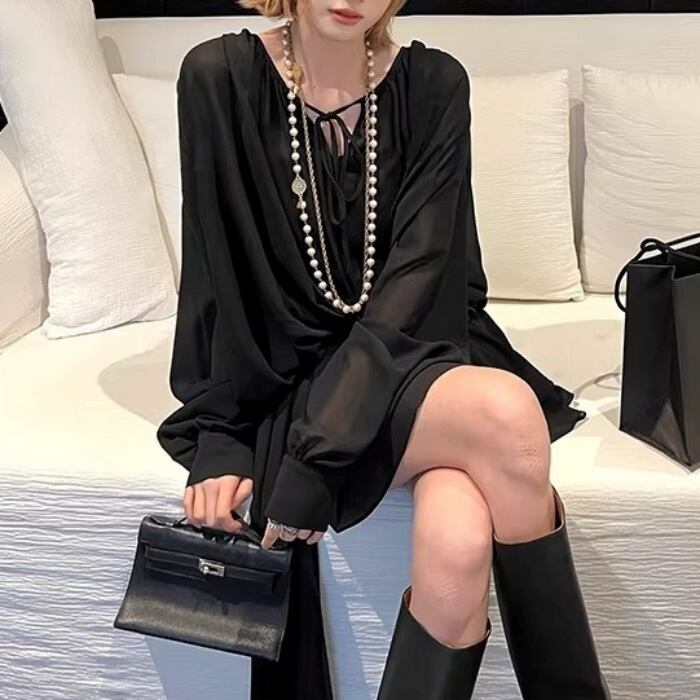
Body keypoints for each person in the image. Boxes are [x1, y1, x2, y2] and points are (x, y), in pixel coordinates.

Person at [155, 2, 612, 699]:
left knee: (458, 544)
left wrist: (320, 456)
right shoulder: (218, 76)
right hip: (291, 378)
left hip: (414, 350)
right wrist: (224, 436)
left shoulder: (435, 84)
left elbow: (422, 279)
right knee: (506, 428)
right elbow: (214, 277)